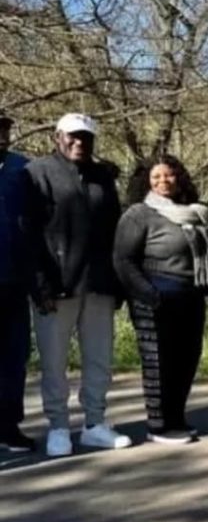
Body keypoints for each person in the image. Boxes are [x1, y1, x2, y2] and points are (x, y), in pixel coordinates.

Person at [23, 113, 131, 457]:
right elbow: (29, 233)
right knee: (54, 362)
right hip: (56, 286)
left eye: (86, 137)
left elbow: (115, 230)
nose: (79, 142)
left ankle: (94, 424)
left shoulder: (103, 176)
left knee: (99, 358)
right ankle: (58, 427)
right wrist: (40, 285)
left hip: (98, 283)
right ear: (58, 136)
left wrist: (118, 283)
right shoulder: (37, 172)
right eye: (73, 135)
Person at [113, 155, 208, 444]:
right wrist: (150, 295)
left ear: (179, 177)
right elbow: (123, 260)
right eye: (156, 176)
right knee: (159, 363)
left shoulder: (195, 213)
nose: (163, 181)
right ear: (146, 182)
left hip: (190, 296)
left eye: (169, 175)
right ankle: (158, 425)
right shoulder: (138, 214)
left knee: (186, 359)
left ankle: (176, 417)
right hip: (154, 298)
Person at [0, 113, 33, 451]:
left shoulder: (23, 169)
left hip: (14, 280)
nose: (1, 135)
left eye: (5, 129)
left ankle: (8, 425)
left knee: (14, 356)